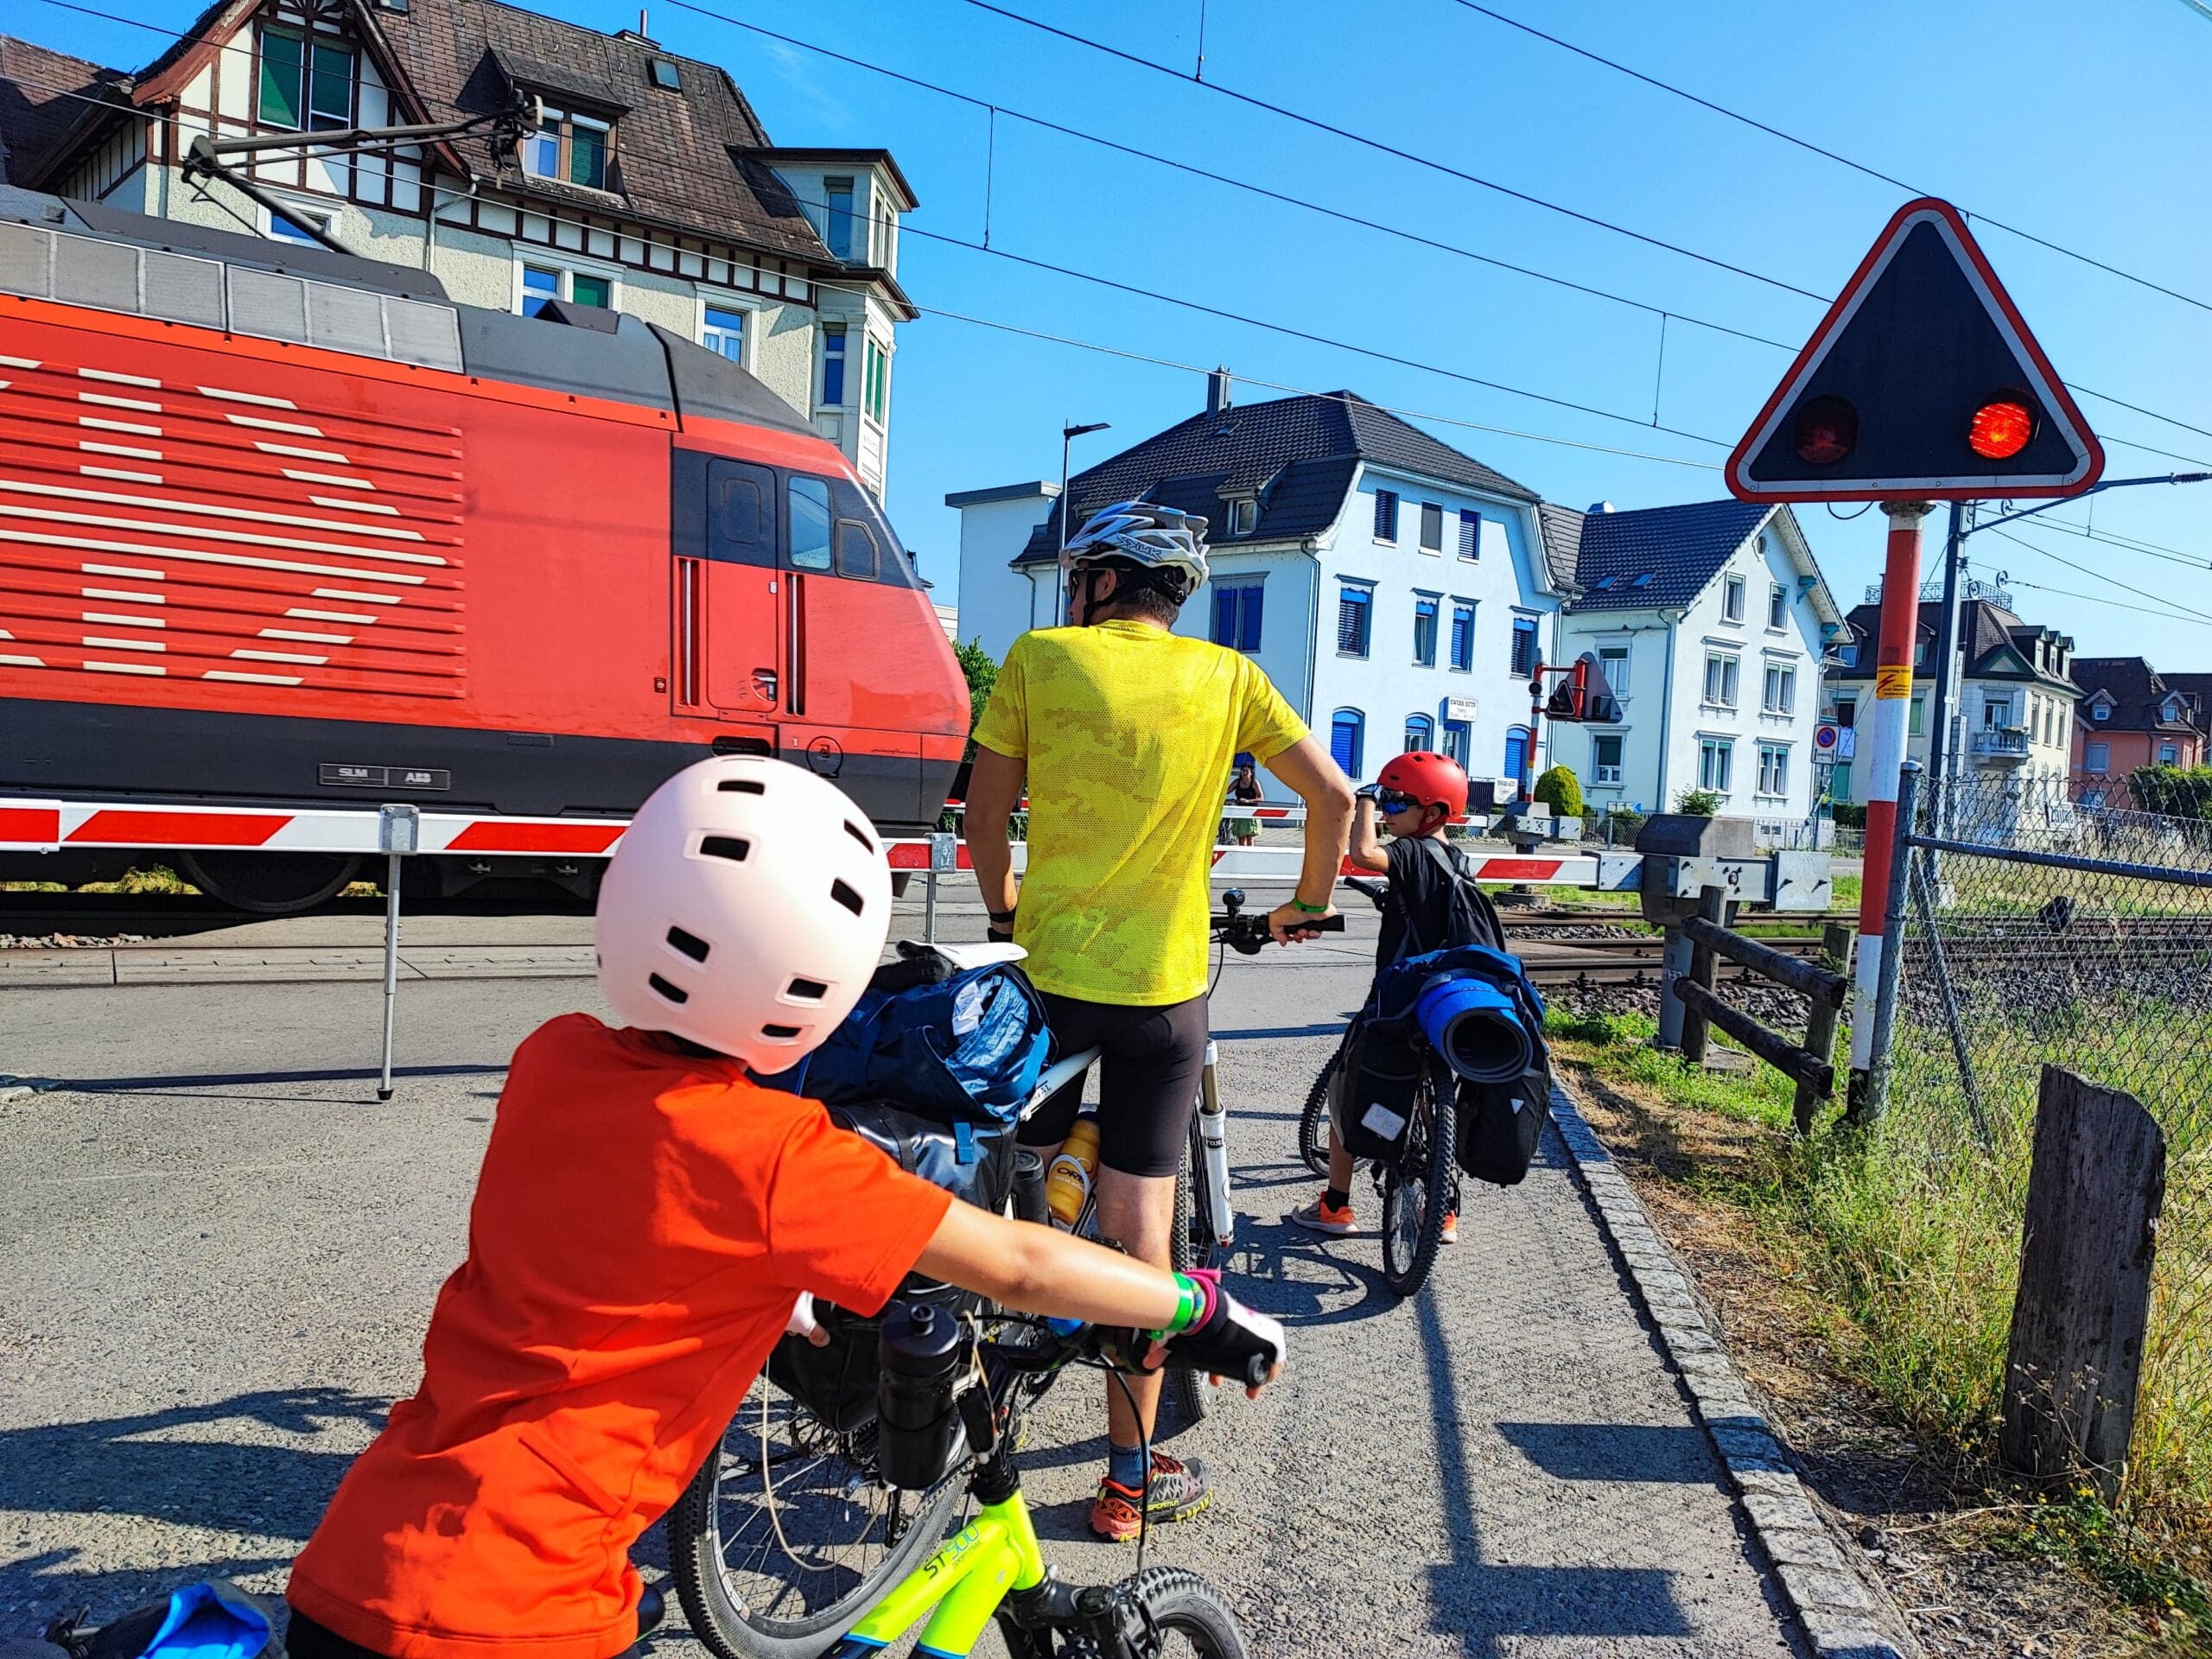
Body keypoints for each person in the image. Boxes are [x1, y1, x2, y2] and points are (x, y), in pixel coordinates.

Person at [283, 754, 1286, 1659]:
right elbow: (1019, 1263)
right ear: (821, 983)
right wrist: (1198, 1306)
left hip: (359, 1554)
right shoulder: (780, 1161)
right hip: (513, 1614)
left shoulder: (553, 1058)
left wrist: (771, 1280)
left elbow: (636, 1217)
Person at [965, 499, 1354, 1541]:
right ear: (1172, 595)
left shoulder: (1039, 659)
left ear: (1100, 583)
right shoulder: (1228, 677)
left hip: (1046, 981)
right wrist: (1304, 905)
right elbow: (1333, 797)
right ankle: (1128, 1485)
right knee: (1144, 1246)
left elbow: (983, 817)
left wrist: (1006, 907)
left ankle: (990, 1416)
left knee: (1019, 1214)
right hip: (1159, 994)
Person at [1292, 748, 1497, 1241]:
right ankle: (1443, 1210)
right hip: (1446, 1003)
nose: (1387, 810)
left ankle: (1336, 1207)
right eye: (1384, 800)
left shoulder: (1410, 852)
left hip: (1399, 1002)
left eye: (1396, 801)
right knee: (1431, 1099)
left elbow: (1362, 853)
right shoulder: (1456, 859)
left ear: (1433, 813)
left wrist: (1360, 798)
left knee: (1349, 1086)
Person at [1225, 760, 1264, 846]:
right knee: (1241, 836)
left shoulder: (1254, 782)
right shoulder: (1237, 782)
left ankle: (1251, 855)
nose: (1245, 773)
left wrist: (1248, 801)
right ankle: (1241, 855)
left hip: (1251, 812)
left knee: (1250, 836)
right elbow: (1226, 791)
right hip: (1240, 812)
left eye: (1247, 771)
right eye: (1243, 770)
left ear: (1251, 773)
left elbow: (1261, 798)